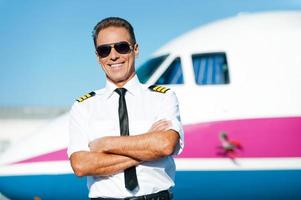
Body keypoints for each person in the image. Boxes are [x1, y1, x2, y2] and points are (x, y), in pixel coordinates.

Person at [67, 17, 184, 200]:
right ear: (98, 57)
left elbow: (164, 144)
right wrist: (147, 147)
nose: (113, 56)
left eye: (121, 47)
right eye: (104, 50)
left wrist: (105, 144)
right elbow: (81, 165)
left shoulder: (163, 97)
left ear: (135, 49)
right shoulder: (83, 106)